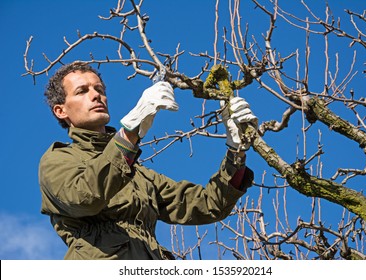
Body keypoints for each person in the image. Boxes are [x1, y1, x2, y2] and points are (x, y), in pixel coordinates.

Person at [39, 61, 257, 260]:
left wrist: (235, 151)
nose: (96, 96)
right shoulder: (57, 161)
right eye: (82, 91)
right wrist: (129, 132)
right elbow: (85, 197)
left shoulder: (138, 174)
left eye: (100, 89)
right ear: (61, 111)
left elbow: (209, 204)